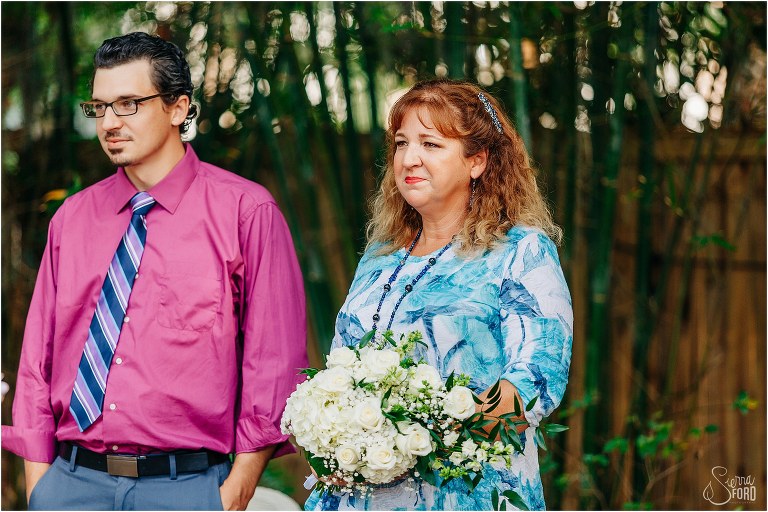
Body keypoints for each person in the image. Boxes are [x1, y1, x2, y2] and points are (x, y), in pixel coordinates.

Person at [2, 32, 307, 510]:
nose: (109, 122)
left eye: (128, 104)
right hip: (70, 484)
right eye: (100, 107)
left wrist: (238, 487)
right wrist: (41, 482)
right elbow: (37, 361)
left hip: (186, 487)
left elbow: (274, 362)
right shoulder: (73, 219)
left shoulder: (247, 212)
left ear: (178, 108)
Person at [304, 79, 573, 510]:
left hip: (469, 493)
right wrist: (336, 434)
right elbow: (344, 366)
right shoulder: (380, 257)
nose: (409, 159)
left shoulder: (521, 251)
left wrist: (418, 439)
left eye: (430, 144)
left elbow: (534, 381)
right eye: (401, 143)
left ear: (477, 161)